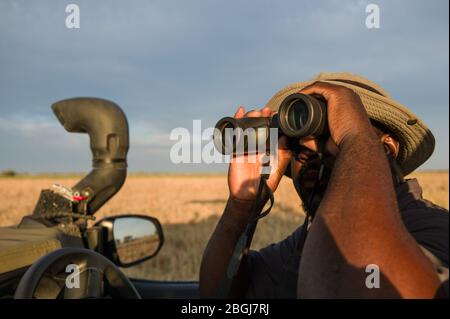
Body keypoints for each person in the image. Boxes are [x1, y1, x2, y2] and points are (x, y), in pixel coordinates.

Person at [199, 72, 449, 298]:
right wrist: (242, 207)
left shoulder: (435, 229)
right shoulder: (307, 239)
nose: (307, 148)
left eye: (330, 130)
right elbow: (221, 299)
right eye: (295, 140)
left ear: (386, 148)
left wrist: (354, 137)